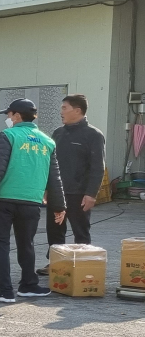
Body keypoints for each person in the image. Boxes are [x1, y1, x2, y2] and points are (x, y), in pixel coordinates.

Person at [0, 97, 66, 304]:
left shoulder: (8, 135)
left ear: (17, 115)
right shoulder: (47, 141)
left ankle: (5, 291)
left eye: (9, 114)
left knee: (1, 244)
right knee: (27, 244)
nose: (8, 118)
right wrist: (59, 206)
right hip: (31, 202)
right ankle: (29, 285)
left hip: (3, 200)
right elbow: (55, 177)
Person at [48, 94, 106, 246]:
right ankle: (55, 260)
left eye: (64, 108)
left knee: (81, 233)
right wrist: (47, 188)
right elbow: (50, 163)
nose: (61, 112)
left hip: (78, 194)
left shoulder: (93, 135)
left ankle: (83, 259)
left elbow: (97, 167)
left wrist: (91, 194)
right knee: (54, 231)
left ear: (77, 110)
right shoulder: (58, 133)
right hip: (57, 193)